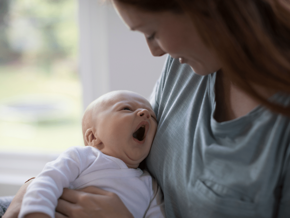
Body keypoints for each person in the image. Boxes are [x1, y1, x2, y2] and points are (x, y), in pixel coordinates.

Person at [3, 0, 290, 217]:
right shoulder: (185, 66)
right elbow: (54, 178)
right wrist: (32, 195)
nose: (155, 51)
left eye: (151, 32)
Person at [17, 90, 164, 218]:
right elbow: (47, 181)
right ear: (93, 137)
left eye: (152, 116)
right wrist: (37, 212)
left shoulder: (151, 186)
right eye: (126, 108)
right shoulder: (82, 157)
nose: (145, 114)